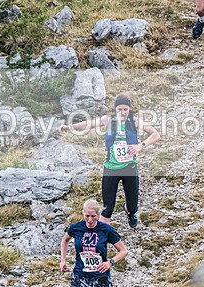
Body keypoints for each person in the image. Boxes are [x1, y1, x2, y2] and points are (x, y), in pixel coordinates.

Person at [59, 92, 160, 228]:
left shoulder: (134, 121)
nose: (122, 112)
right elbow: (88, 124)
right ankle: (103, 235)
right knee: (107, 207)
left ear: (129, 109)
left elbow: (155, 134)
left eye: (125, 109)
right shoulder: (108, 120)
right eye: (119, 109)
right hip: (111, 168)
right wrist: (69, 127)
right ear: (115, 109)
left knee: (133, 206)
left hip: (129, 167)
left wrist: (140, 146)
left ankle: (129, 211)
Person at [60, 199, 128, 287]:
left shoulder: (106, 229)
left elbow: (123, 251)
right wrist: (63, 260)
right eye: (87, 216)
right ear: (83, 214)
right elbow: (65, 240)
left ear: (98, 215)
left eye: (93, 216)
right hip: (81, 275)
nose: (90, 220)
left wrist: (110, 262)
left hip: (101, 277)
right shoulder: (76, 228)